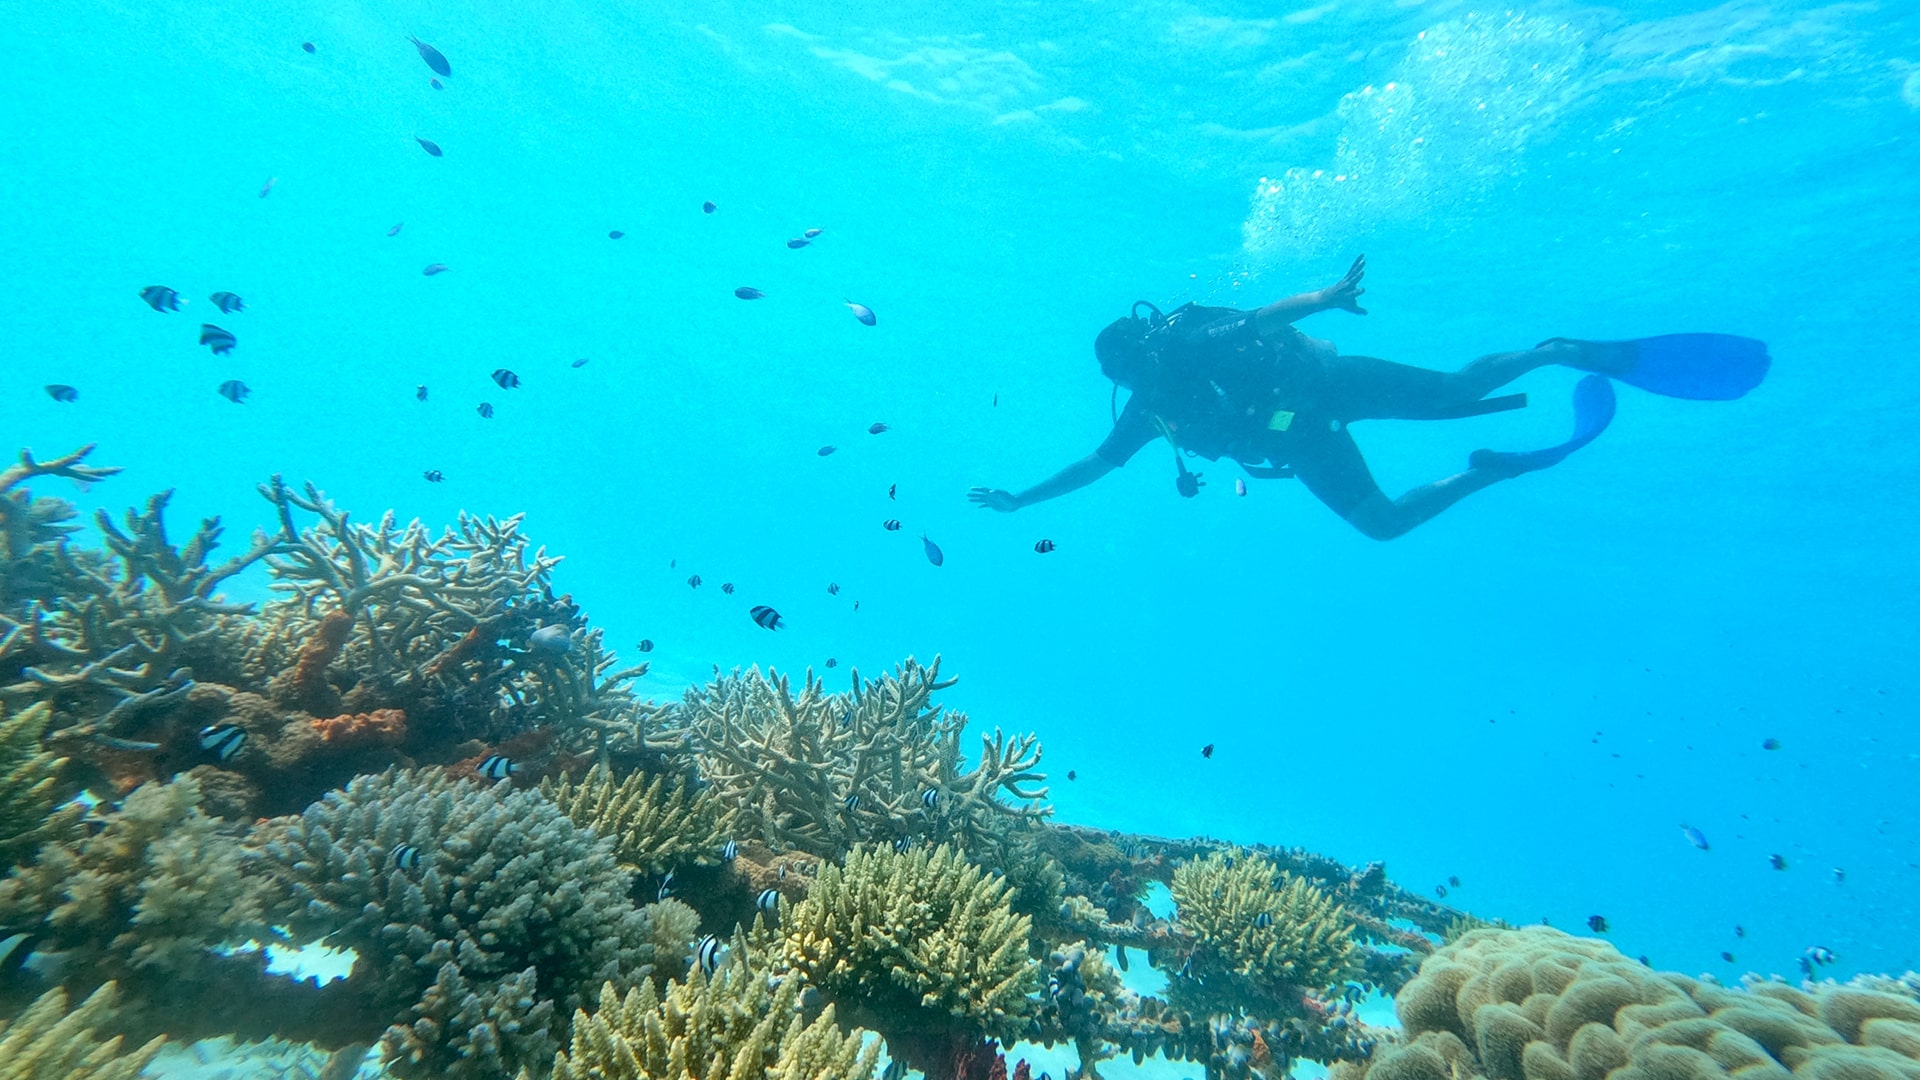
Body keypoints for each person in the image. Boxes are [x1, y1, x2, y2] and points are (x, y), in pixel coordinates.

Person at [968, 256, 1768, 540]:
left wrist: (1322, 296)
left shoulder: (1184, 350)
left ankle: (1552, 352)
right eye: (1126, 377)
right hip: (1305, 443)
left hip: (1326, 387)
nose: (1133, 383)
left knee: (1457, 389)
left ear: (1142, 351)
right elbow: (1095, 465)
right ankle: (1485, 471)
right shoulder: (1152, 409)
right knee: (1383, 524)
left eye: (1131, 368)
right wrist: (1020, 500)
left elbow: (1257, 318)